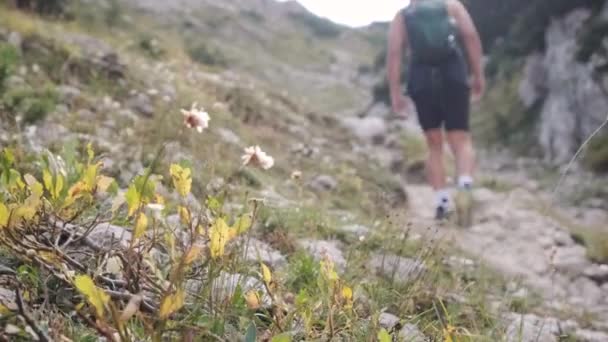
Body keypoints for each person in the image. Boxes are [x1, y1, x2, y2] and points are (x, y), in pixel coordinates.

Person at [387, 0, 485, 221]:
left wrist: (395, 92)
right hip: (453, 74)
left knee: (434, 144)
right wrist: (478, 74)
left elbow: (394, 53)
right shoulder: (452, 6)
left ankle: (442, 202)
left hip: (421, 79)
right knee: (460, 138)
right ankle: (465, 186)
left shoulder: (403, 15)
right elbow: (470, 36)